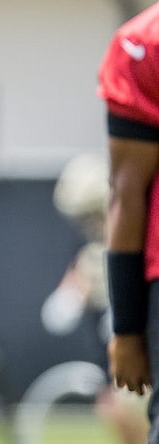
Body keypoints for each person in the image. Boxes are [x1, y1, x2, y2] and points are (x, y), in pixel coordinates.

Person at [40, 154, 148, 444]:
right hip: (114, 357)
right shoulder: (87, 251)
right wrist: (78, 292)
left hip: (142, 348)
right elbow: (58, 315)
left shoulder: (139, 237)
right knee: (114, 409)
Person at [97, 3, 159, 443]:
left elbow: (126, 190)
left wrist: (127, 328)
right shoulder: (146, 43)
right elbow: (128, 189)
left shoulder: (146, 39)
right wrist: (127, 326)